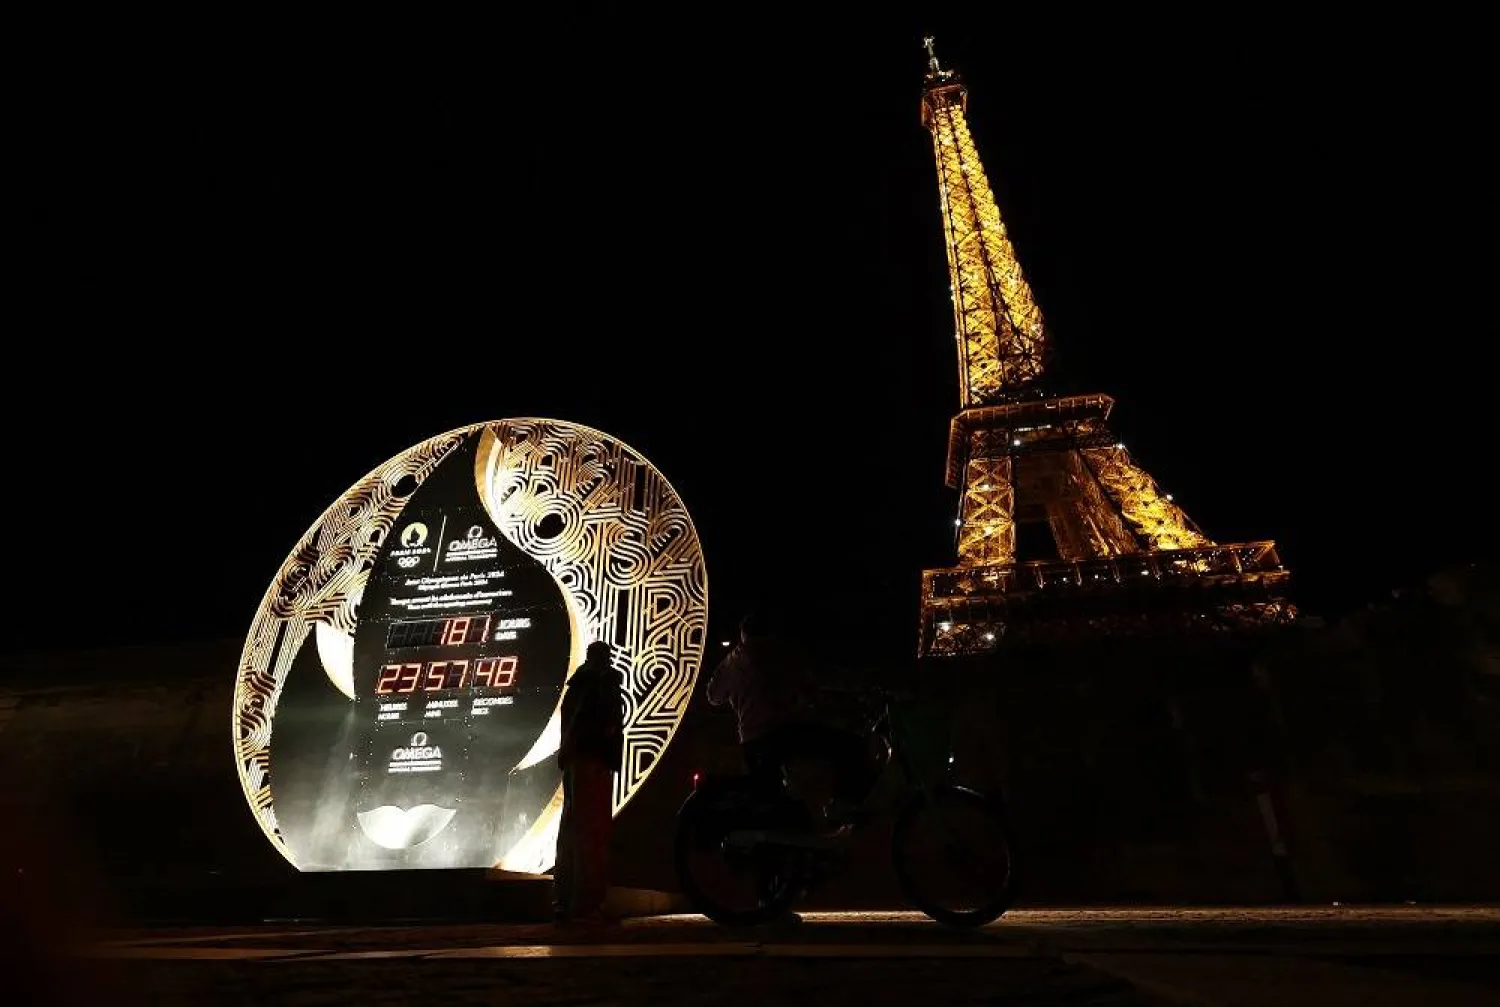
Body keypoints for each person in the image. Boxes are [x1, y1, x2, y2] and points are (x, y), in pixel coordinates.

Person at [706, 612, 873, 827]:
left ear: (742, 634)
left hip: (751, 742)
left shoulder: (733, 661)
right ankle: (842, 806)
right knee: (848, 745)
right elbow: (807, 686)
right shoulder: (779, 655)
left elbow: (713, 696)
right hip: (781, 733)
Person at [553, 640, 626, 925]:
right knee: (591, 832)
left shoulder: (576, 686)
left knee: (571, 830)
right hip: (594, 761)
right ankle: (586, 903)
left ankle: (565, 899)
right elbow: (605, 722)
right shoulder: (601, 684)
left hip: (575, 760)